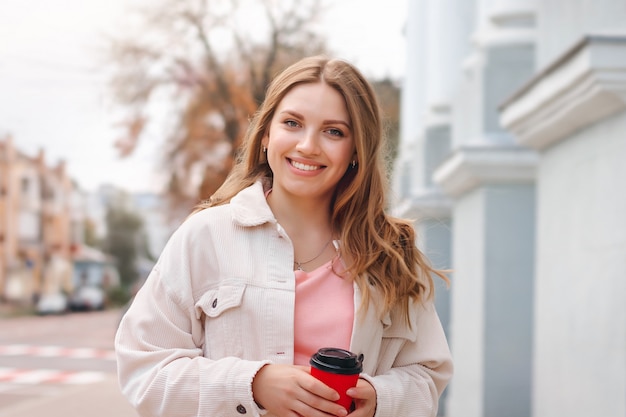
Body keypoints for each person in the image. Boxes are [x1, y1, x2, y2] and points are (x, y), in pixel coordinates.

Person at [115, 55, 453, 417]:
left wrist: (378, 398)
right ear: (265, 135)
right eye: (292, 123)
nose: (308, 145)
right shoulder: (205, 236)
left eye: (333, 131)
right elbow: (145, 369)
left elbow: (427, 376)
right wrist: (253, 385)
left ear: (356, 151)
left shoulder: (390, 251)